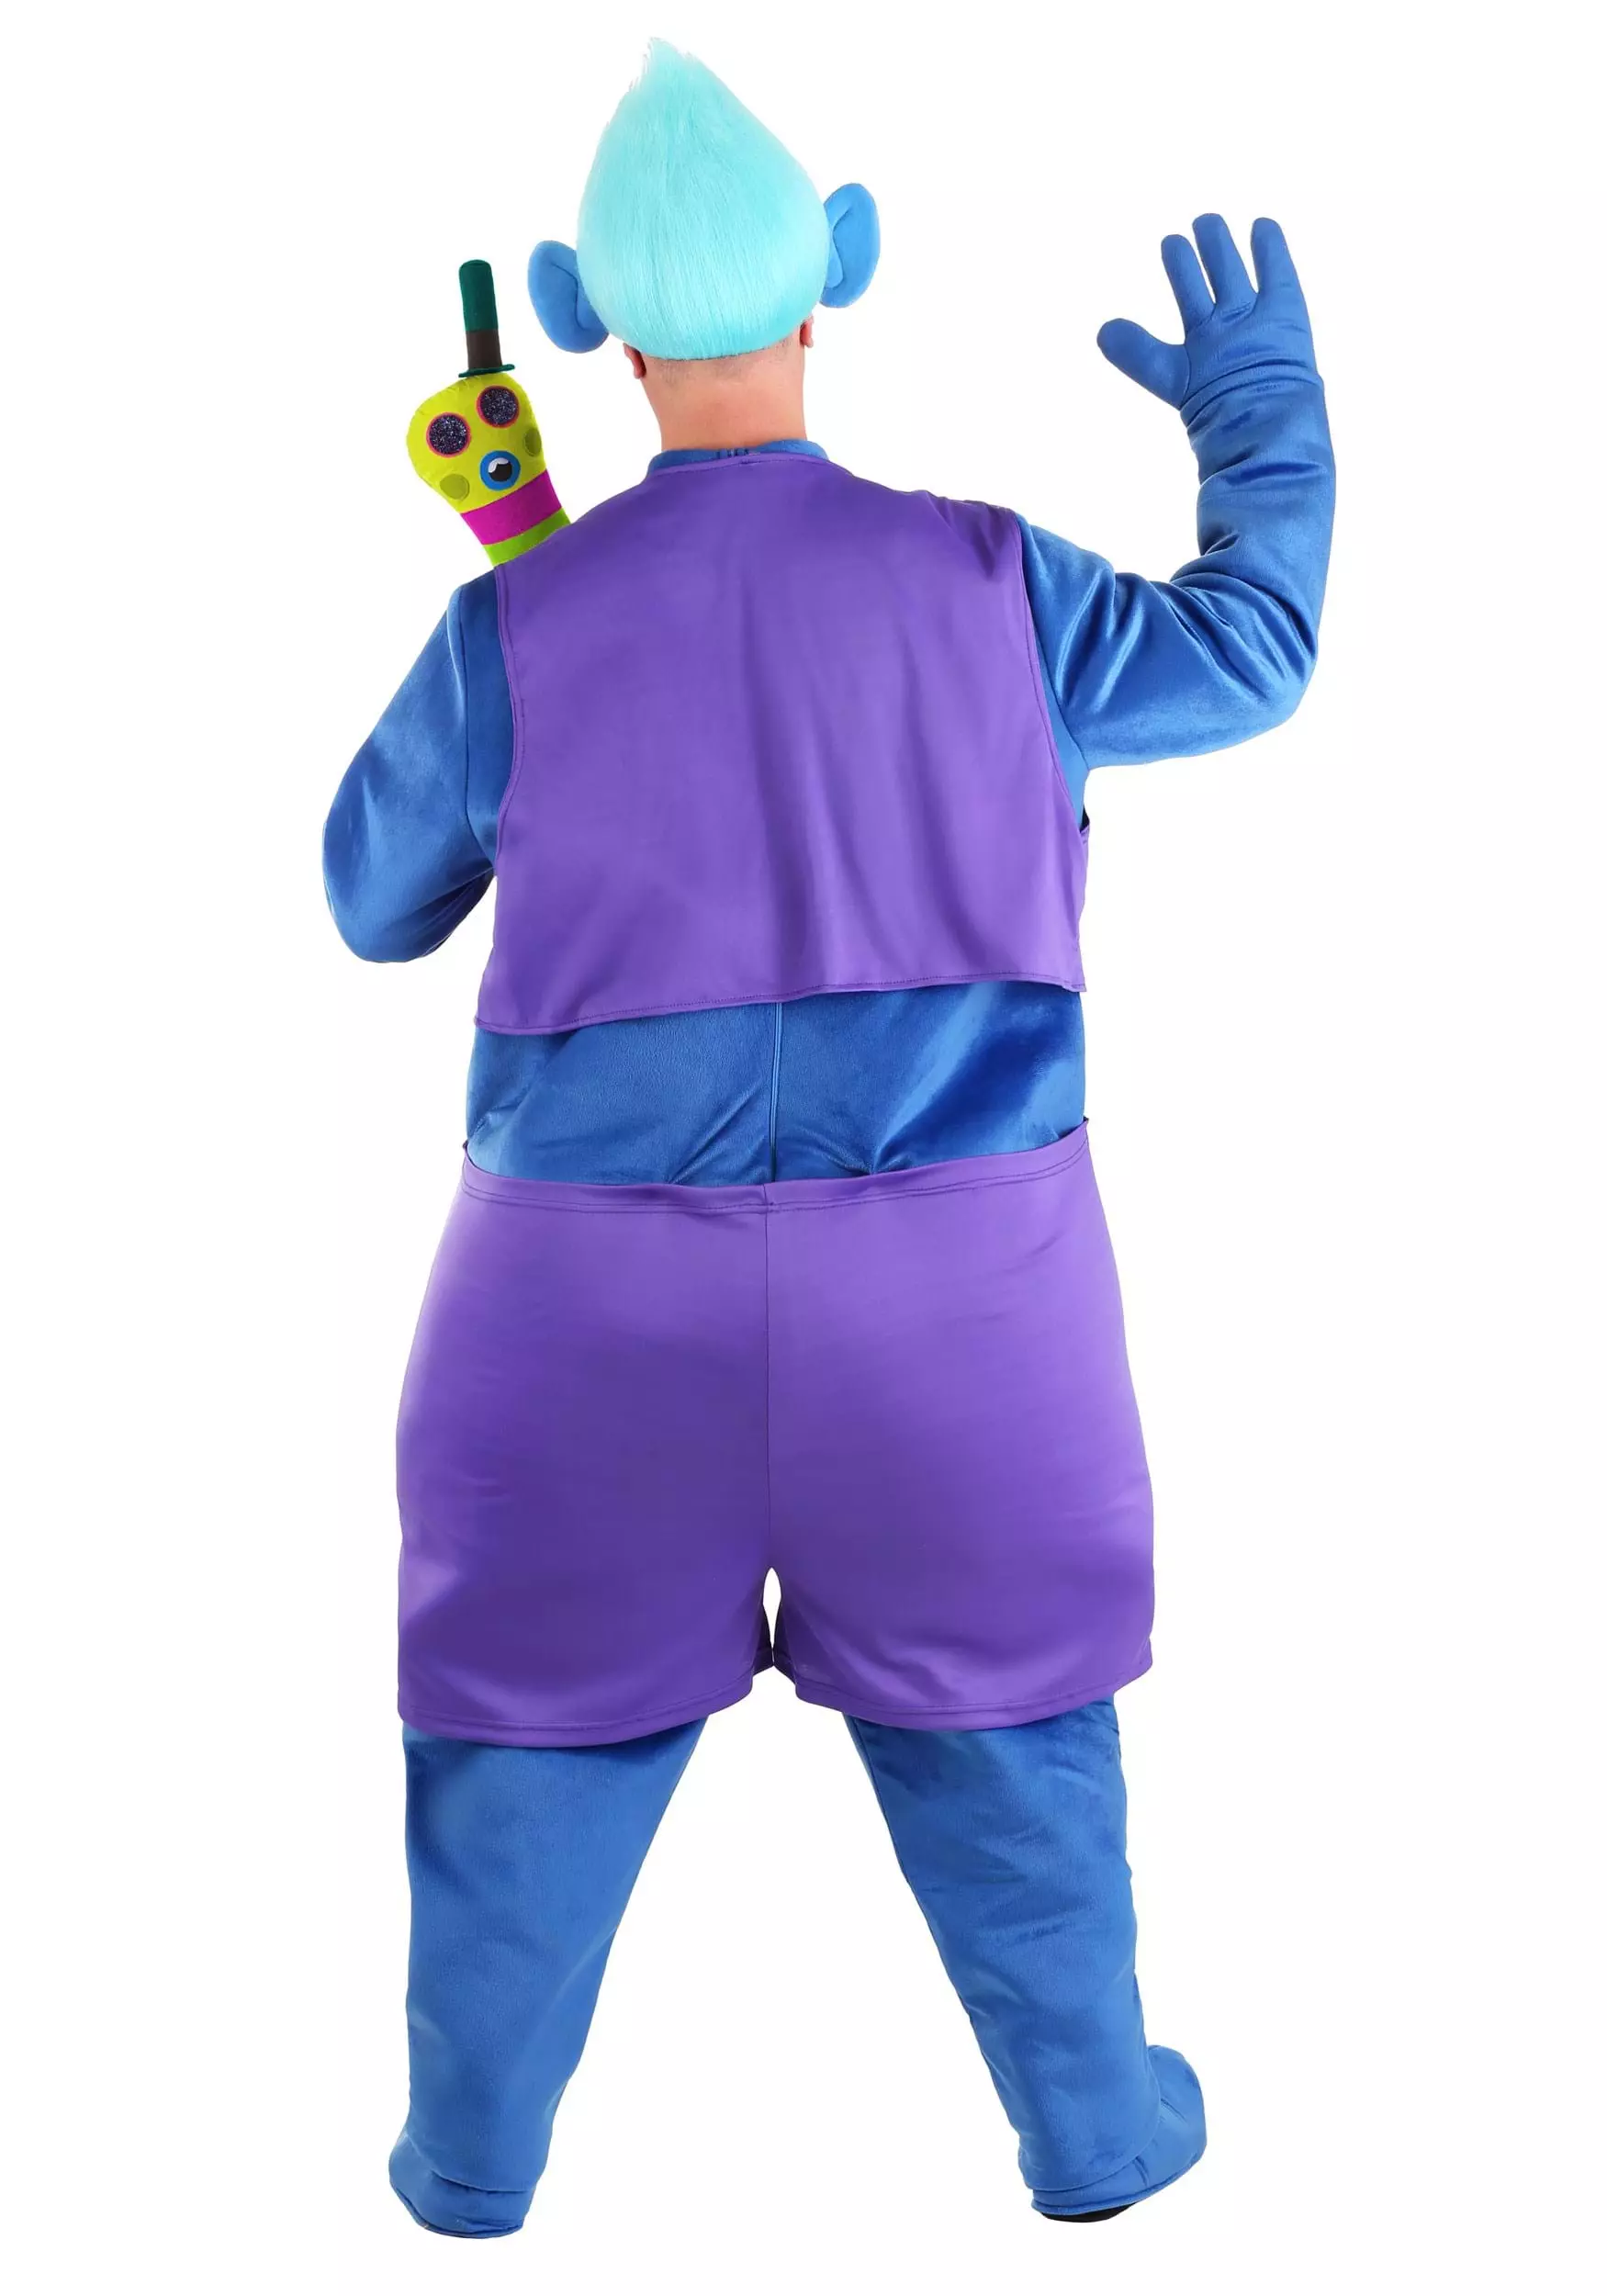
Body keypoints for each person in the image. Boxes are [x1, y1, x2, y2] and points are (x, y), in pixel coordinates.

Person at [324, 39, 1335, 2238]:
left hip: (577, 1315)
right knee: (1015, 1756)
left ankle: (467, 2167)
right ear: (833, 275)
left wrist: (526, 564)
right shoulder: (993, 583)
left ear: (581, 319)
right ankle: (1097, 2133)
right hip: (960, 1308)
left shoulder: (512, 624)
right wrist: (1259, 419)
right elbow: (1254, 653)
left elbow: (370, 899)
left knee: (517, 1773)